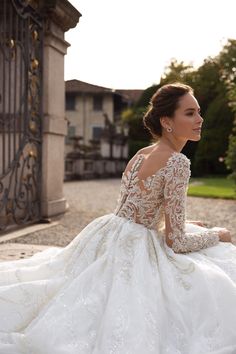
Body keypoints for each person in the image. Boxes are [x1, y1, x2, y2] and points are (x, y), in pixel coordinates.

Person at [0, 83, 236, 354]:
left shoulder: (141, 154)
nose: (200, 119)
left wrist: (189, 224)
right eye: (190, 113)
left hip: (108, 232)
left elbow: (142, 212)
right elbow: (175, 241)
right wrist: (218, 234)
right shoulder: (177, 162)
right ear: (167, 121)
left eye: (199, 112)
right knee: (220, 254)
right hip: (135, 247)